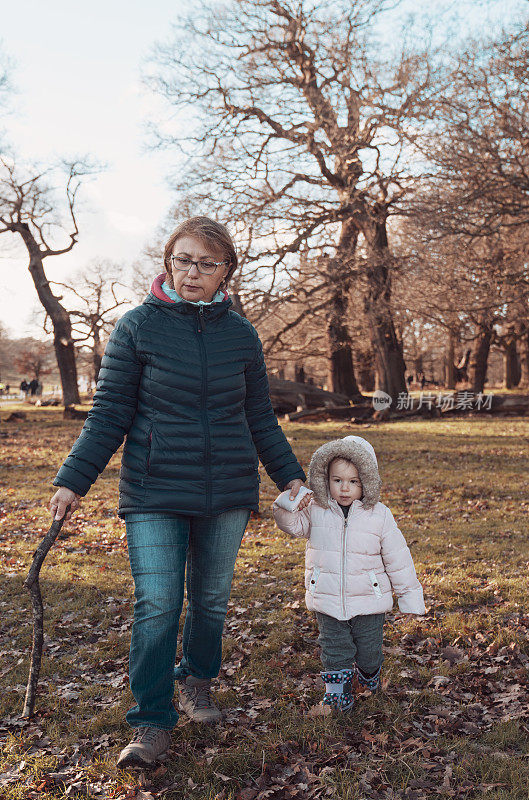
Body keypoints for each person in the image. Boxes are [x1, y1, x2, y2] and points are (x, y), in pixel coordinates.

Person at [49, 217, 307, 767]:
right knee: (159, 603)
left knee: (210, 602)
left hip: (227, 492)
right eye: (183, 260)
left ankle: (197, 679)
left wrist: (291, 476)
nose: (192, 273)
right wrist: (72, 481)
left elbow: (260, 416)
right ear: (168, 263)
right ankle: (151, 721)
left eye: (207, 264)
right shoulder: (137, 327)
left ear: (226, 273)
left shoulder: (242, 335)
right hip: (154, 490)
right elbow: (110, 412)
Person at [272, 435, 425, 711]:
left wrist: (409, 595)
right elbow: (291, 525)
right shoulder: (316, 510)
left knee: (368, 650)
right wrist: (289, 503)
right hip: (327, 595)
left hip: (369, 599)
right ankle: (337, 695)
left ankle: (368, 677)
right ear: (325, 479)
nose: (344, 488)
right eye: (337, 480)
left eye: (353, 481)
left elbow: (398, 558)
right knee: (334, 646)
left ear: (367, 481)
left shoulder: (379, 515)